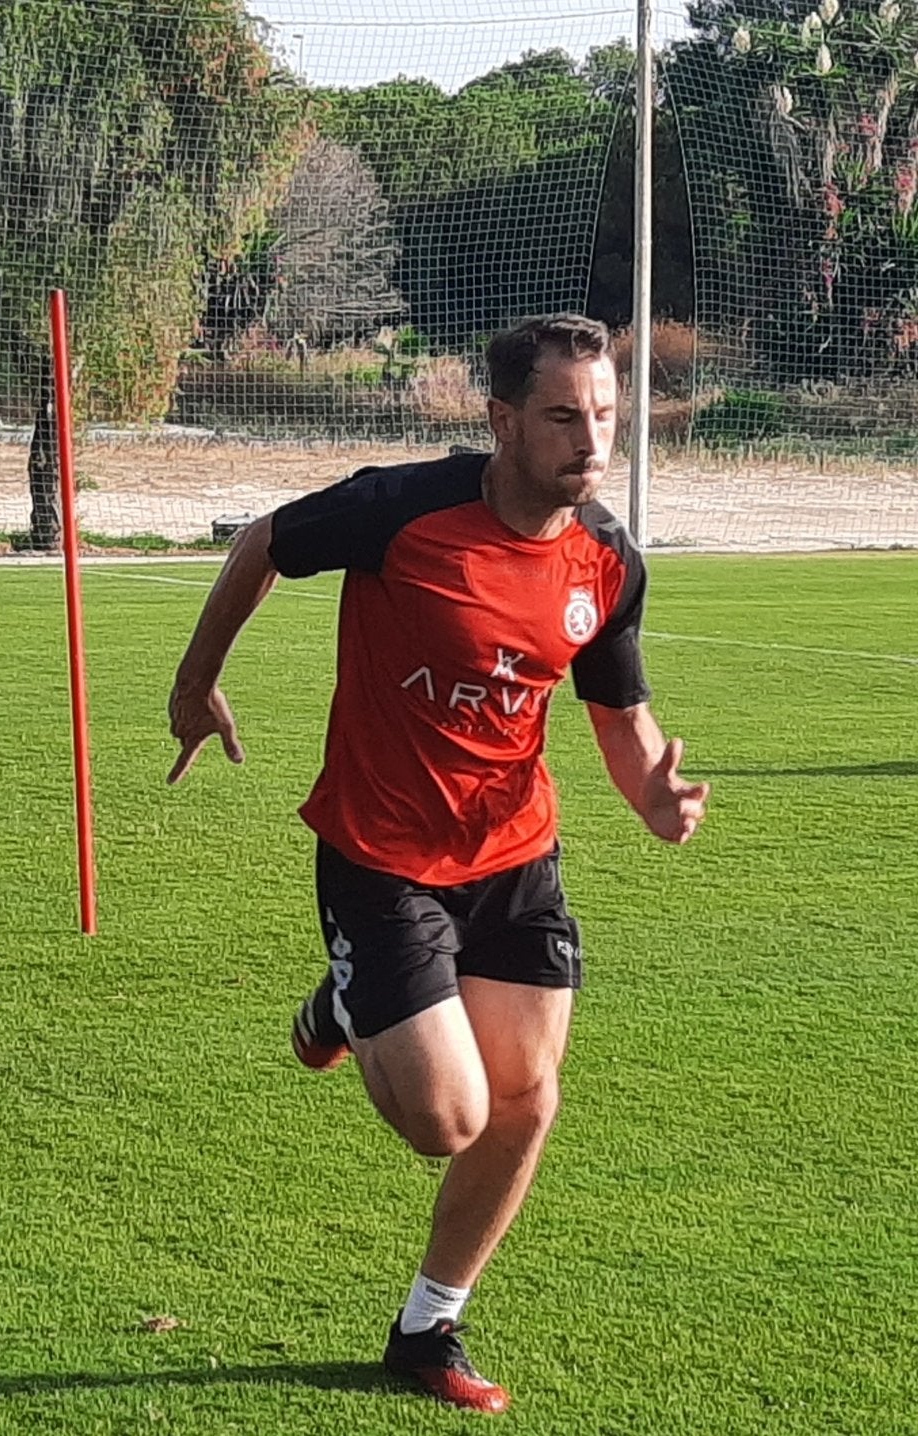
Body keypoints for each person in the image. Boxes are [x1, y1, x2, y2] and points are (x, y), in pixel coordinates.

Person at [166, 314, 709, 1414]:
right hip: (380, 854)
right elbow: (262, 541)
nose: (589, 439)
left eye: (602, 414)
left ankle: (428, 1322)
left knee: (525, 1098)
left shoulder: (603, 560)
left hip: (512, 856)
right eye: (561, 416)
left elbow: (616, 711)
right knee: (444, 1119)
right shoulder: (400, 509)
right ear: (502, 420)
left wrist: (652, 788)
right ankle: (349, 1000)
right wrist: (194, 680)